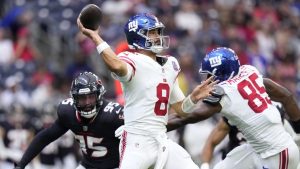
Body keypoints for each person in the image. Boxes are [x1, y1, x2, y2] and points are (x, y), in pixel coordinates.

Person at [77, 13, 216, 169]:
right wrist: (96, 37)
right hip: (137, 141)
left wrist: (194, 97)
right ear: (138, 36)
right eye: (152, 32)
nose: (157, 36)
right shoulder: (131, 59)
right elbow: (116, 66)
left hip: (162, 139)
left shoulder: (170, 64)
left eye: (158, 32)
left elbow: (182, 110)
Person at [167, 47, 300, 169]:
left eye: (209, 75)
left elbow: (185, 117)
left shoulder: (225, 94)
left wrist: (155, 125)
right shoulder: (249, 71)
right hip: (258, 149)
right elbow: (286, 96)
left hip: (278, 153)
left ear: (220, 74)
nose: (206, 79)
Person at [14, 71, 124, 169]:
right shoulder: (68, 112)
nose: (87, 103)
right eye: (82, 98)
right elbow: (45, 137)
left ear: (99, 95)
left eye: (91, 97)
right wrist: (21, 164)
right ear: (74, 98)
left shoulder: (113, 114)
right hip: (88, 165)